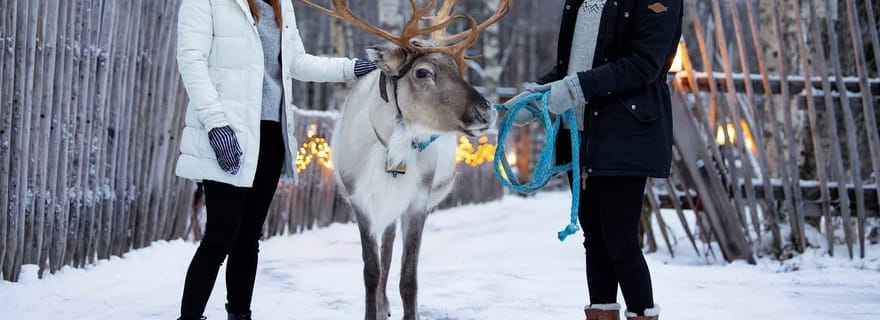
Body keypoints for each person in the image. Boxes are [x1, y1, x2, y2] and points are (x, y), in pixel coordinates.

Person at [174, 0, 376, 319]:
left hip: (270, 136)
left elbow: (296, 63)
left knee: (248, 236)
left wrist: (350, 68)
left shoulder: (280, 4)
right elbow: (191, 61)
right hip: (230, 134)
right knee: (220, 235)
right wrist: (216, 123)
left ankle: (239, 314)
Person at [505, 0, 682, 319]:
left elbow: (645, 64)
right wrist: (538, 94)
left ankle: (642, 312)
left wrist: (572, 89)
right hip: (580, 134)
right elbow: (573, 65)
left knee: (620, 242)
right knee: (596, 241)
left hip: (624, 133)